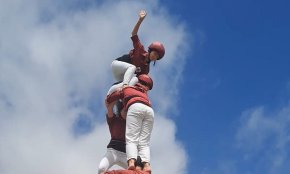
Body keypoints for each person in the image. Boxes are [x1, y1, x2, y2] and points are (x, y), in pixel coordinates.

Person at [107, 9, 165, 96]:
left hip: (123, 76)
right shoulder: (140, 49)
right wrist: (140, 20)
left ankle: (120, 96)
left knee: (135, 80)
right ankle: (125, 86)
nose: (155, 57)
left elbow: (139, 82)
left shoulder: (146, 69)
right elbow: (133, 34)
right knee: (132, 68)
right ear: (150, 50)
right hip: (117, 66)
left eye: (157, 57)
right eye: (155, 54)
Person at [106, 74, 154, 172]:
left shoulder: (128, 89)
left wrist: (110, 99)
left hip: (135, 106)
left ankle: (132, 162)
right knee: (144, 142)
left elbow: (111, 98)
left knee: (132, 138)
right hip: (149, 111)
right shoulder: (146, 95)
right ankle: (147, 165)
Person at [98, 95, 128, 174]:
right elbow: (109, 108)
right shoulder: (114, 119)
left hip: (126, 154)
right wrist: (118, 95)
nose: (126, 113)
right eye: (125, 110)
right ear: (120, 110)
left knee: (140, 171)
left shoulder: (132, 123)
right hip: (113, 152)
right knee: (101, 169)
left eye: (128, 111)